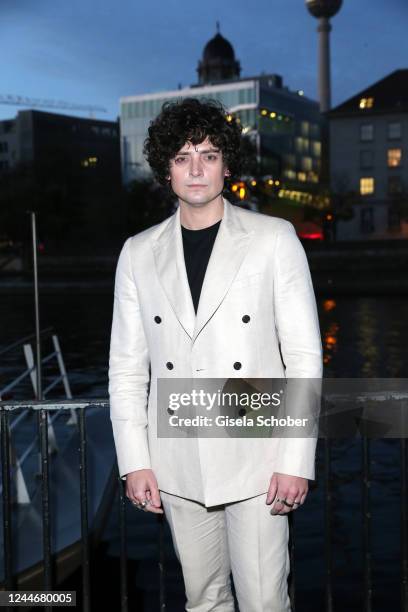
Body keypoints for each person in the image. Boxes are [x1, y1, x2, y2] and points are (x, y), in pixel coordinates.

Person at [108, 97, 323, 611]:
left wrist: (296, 461)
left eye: (208, 154)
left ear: (228, 163)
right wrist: (134, 462)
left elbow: (304, 358)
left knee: (265, 601)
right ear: (166, 168)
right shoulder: (138, 251)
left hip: (257, 452)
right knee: (202, 600)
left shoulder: (274, 239)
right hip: (177, 455)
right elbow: (126, 368)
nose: (197, 168)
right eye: (183, 156)